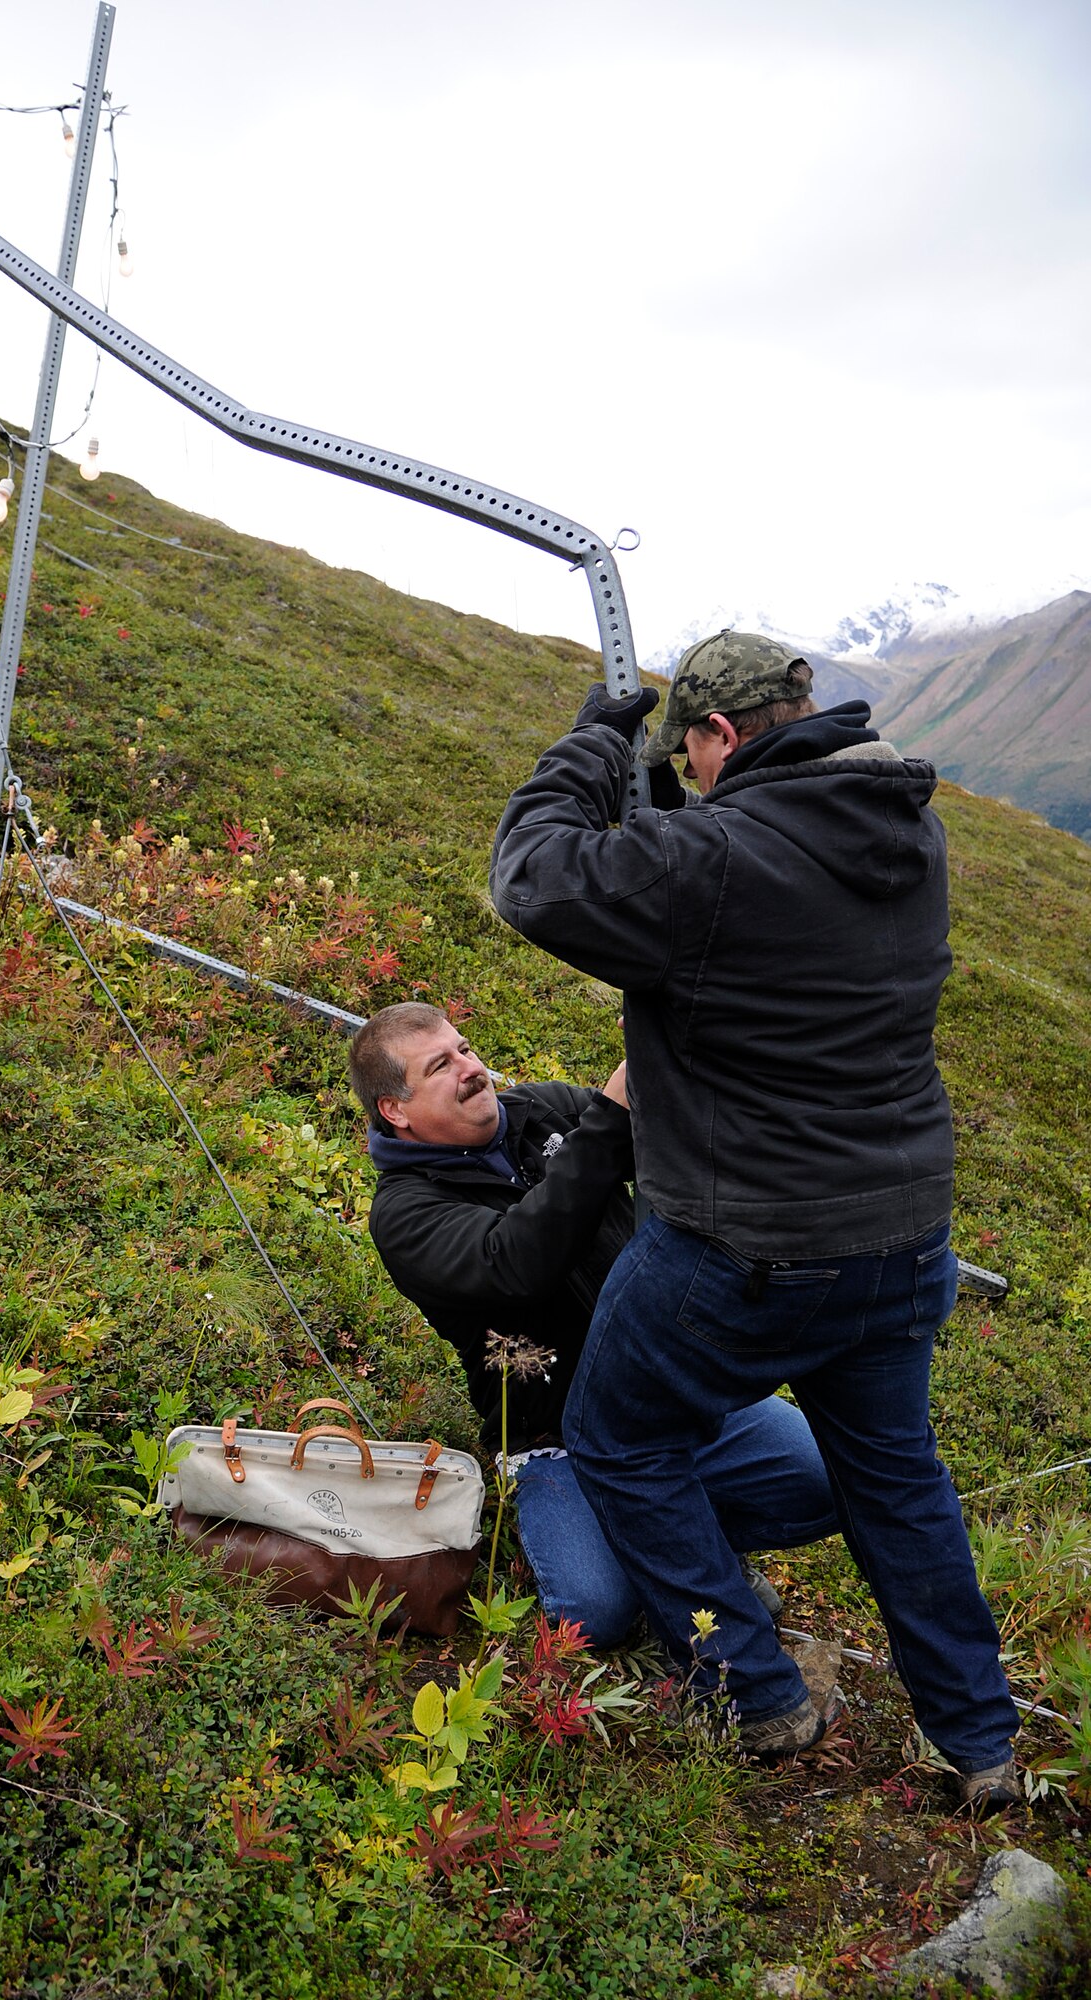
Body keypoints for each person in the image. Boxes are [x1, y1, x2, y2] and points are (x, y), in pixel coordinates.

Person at [487, 631, 1019, 1806]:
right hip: (902, 1238)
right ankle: (980, 1741)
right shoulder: (905, 828)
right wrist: (671, 800)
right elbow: (746, 875)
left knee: (619, 1435)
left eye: (694, 748)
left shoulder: (710, 857)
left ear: (721, 735)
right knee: (897, 1479)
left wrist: (590, 747)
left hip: (744, 1246)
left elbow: (533, 876)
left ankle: (756, 1687)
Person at [349, 998, 838, 1648]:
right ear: (396, 1110)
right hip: (557, 1439)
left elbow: (675, 1146)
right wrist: (608, 1120)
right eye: (439, 1065)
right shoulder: (405, 1213)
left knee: (829, 1476)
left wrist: (672, 1062)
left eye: (463, 1048)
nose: (470, 1068)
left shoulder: (543, 1110)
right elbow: (515, 1263)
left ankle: (691, 1542)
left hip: (665, 1390)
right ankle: (670, 1553)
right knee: (595, 1616)